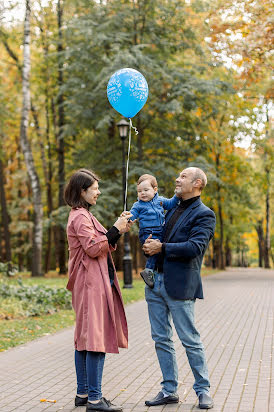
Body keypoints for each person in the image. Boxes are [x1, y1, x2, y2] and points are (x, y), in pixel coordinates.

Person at [143, 167, 216, 410]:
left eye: (183, 176)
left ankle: (203, 390)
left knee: (190, 339)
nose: (177, 179)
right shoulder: (169, 207)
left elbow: (195, 247)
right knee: (161, 339)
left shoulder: (205, 214)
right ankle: (169, 390)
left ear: (197, 183)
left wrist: (161, 247)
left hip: (180, 285)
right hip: (154, 283)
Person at [64, 169, 133, 412]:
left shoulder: (83, 215)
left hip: (90, 282)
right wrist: (115, 229)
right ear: (82, 191)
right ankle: (94, 399)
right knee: (95, 338)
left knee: (84, 338)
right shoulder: (80, 217)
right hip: (89, 283)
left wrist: (118, 228)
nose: (98, 192)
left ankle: (83, 394)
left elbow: (102, 240)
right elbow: (94, 248)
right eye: (94, 188)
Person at [129, 174, 179, 288]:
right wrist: (127, 217)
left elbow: (171, 203)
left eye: (146, 190)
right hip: (148, 232)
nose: (143, 193)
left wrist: (177, 195)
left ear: (155, 190)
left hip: (160, 230)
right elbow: (132, 215)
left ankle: (152, 270)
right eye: (139, 191)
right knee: (154, 249)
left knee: (159, 249)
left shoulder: (160, 201)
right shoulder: (138, 205)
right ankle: (148, 270)